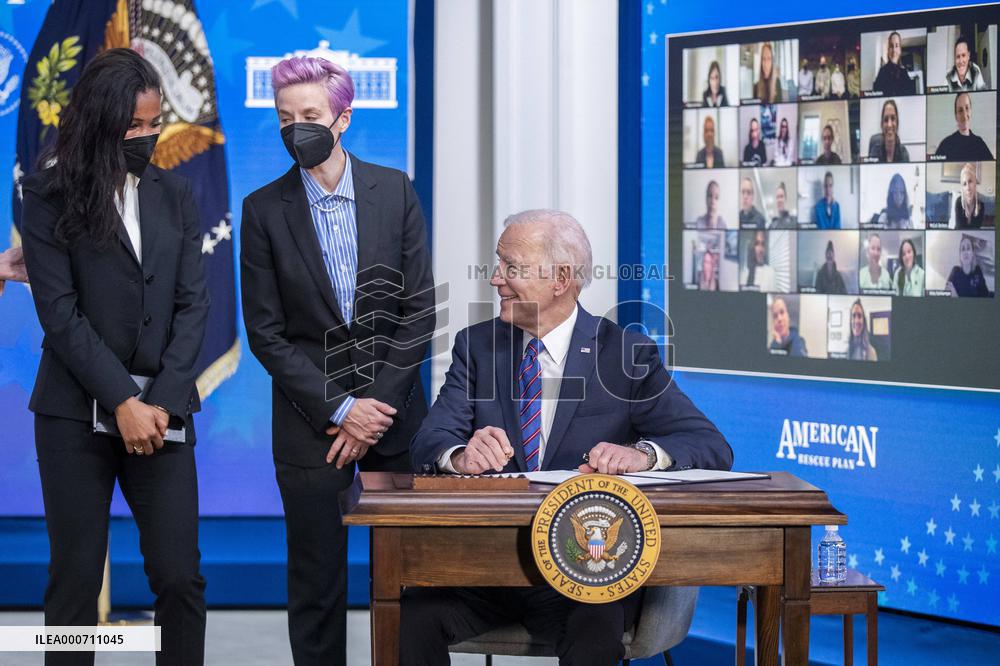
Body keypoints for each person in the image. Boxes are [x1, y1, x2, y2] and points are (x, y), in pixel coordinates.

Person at [403, 210, 732, 666]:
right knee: (412, 613)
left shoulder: (625, 354)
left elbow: (711, 445)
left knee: (595, 619)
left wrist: (643, 455)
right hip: (489, 566)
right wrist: (459, 456)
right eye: (498, 265)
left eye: (510, 267)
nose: (495, 279)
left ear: (560, 279)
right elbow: (428, 440)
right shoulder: (476, 346)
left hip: (586, 569)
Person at [240, 56, 435, 666]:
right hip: (310, 423)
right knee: (317, 581)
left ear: (342, 118)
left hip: (396, 417)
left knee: (412, 582)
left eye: (311, 116)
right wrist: (343, 408)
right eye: (285, 117)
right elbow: (266, 334)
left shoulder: (394, 189)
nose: (296, 127)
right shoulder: (261, 210)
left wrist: (373, 409)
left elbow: (420, 309)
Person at [19, 49, 209, 665]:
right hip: (75, 413)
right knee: (74, 580)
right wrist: (121, 400)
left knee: (180, 578)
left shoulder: (176, 193)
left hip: (164, 412)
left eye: (154, 125)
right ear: (101, 121)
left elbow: (194, 306)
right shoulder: (49, 192)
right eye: (134, 127)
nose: (147, 137)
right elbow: (60, 313)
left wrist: (156, 403)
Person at [934, 92, 994, 161]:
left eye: (967, 108)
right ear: (956, 116)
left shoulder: (979, 143)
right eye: (960, 110)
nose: (964, 115)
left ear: (971, 111)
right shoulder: (946, 144)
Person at [872, 31, 916, 95]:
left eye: (897, 46)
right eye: (891, 46)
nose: (894, 50)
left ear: (900, 50)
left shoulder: (904, 72)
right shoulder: (882, 71)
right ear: (888, 49)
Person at [955, 162, 989, 228]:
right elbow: (959, 228)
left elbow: (977, 229)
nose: (968, 188)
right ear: (962, 188)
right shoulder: (958, 202)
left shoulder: (981, 205)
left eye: (970, 181)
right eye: (964, 184)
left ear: (975, 183)